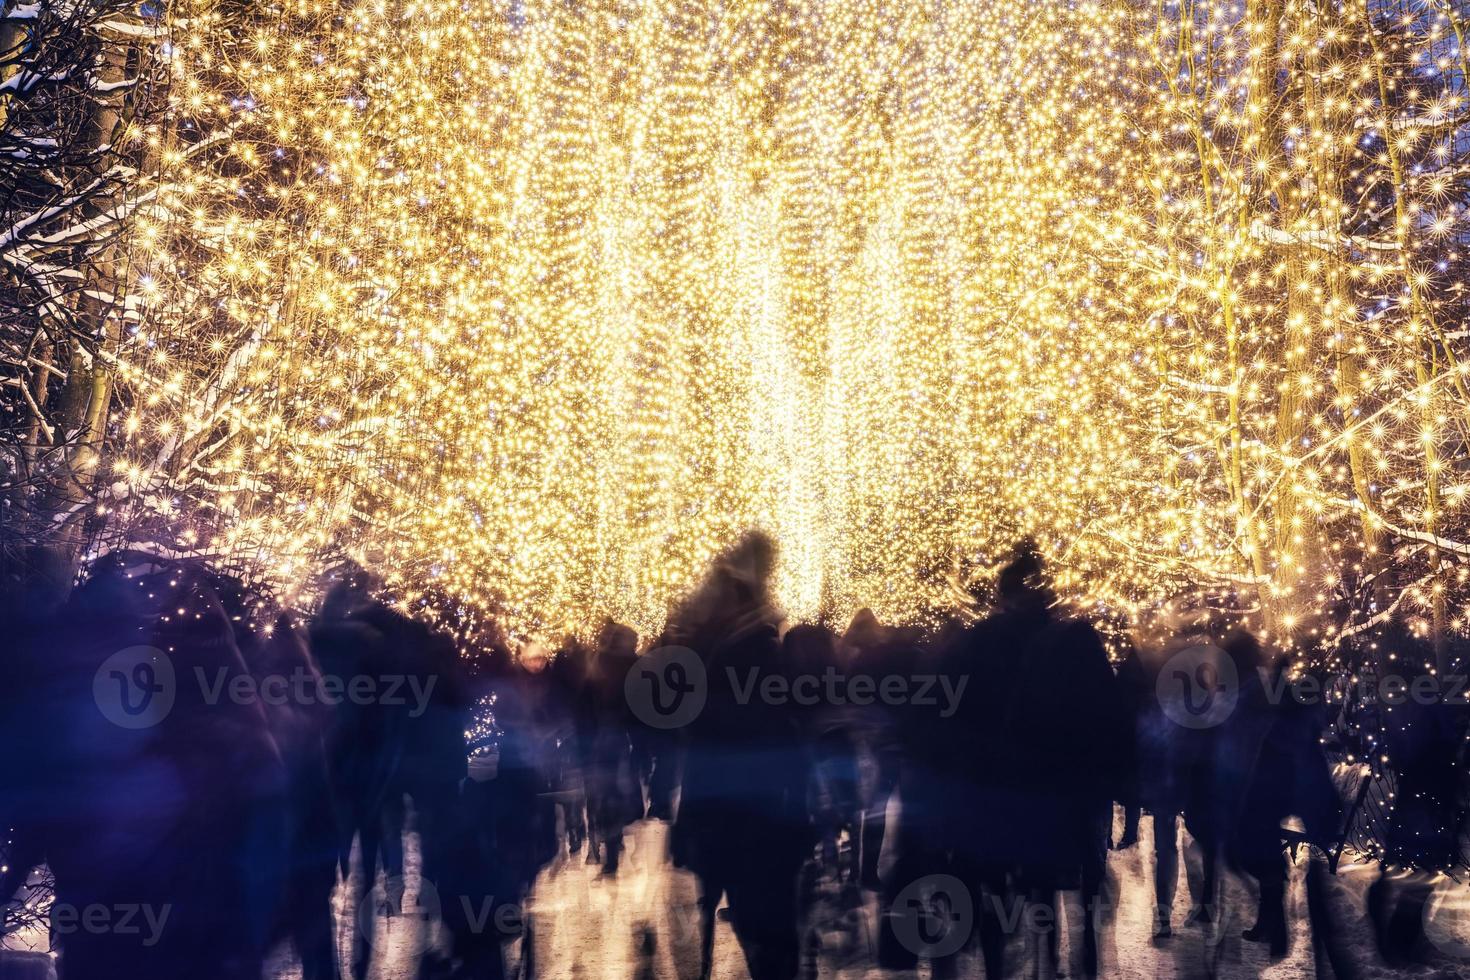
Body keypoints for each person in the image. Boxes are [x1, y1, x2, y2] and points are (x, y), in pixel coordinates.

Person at [670, 532, 811, 980]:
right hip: (748, 822)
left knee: (766, 939)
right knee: (767, 937)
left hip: (747, 824)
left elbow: (739, 738)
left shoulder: (746, 653)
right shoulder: (739, 649)